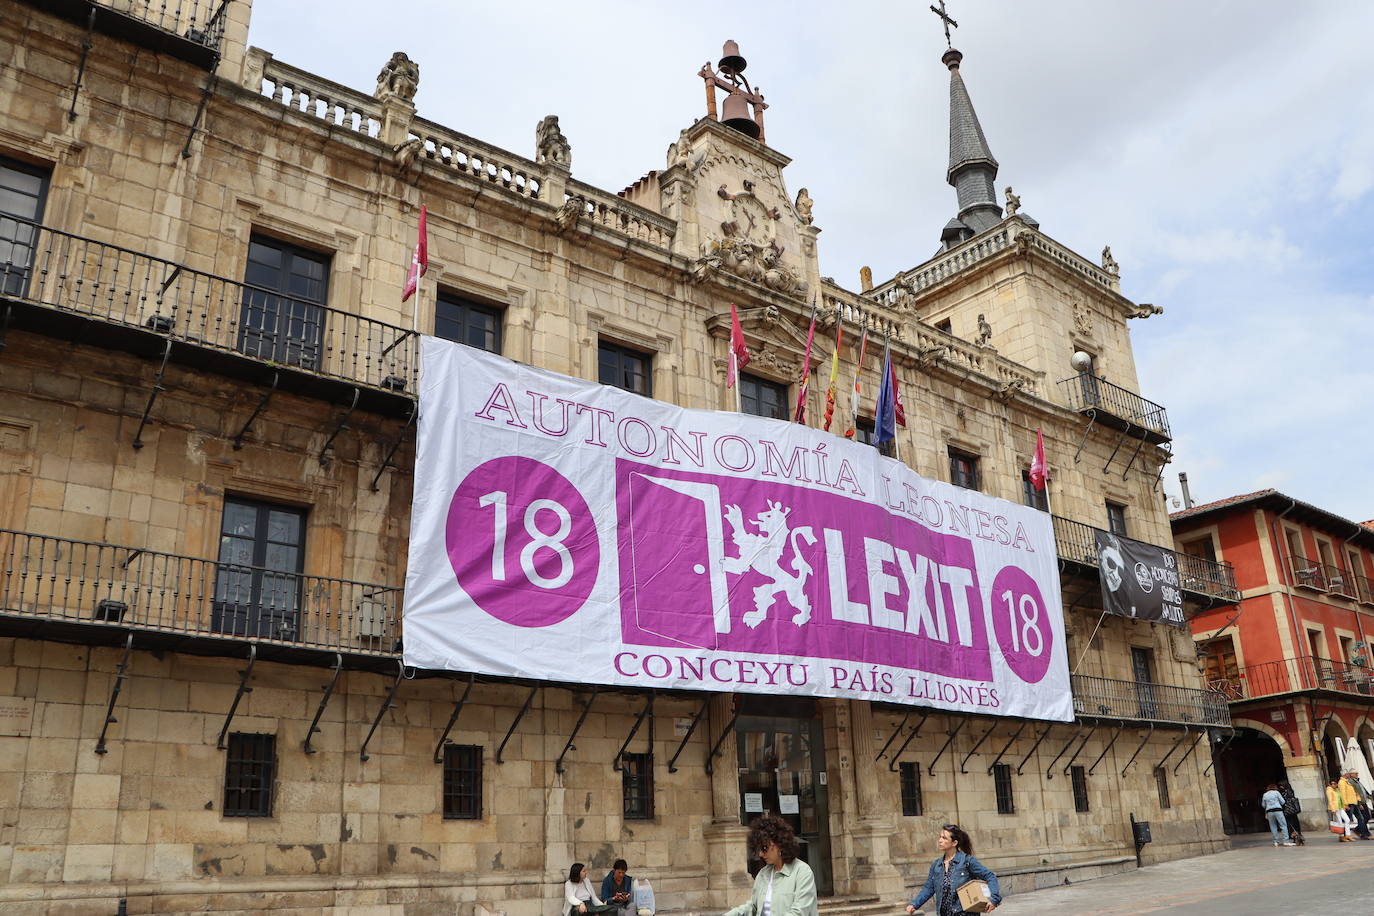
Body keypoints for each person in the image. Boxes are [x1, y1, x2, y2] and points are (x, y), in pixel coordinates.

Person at [723, 815, 818, 916]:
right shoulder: (764, 874)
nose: (760, 854)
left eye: (764, 848)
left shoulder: (802, 872)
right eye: (758, 849)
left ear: (780, 844)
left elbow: (800, 911)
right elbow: (753, 907)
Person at [905, 824, 1001, 915]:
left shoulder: (966, 861)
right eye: (940, 837)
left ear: (954, 843)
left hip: (964, 913)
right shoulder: (936, 865)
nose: (940, 840)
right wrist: (914, 904)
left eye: (944, 838)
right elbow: (928, 888)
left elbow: (990, 876)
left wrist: (994, 899)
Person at [1338, 769, 1371, 839]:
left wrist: (1358, 801)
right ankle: (1344, 835)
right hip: (1349, 803)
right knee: (1347, 819)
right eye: (1348, 774)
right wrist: (1345, 804)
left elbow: (1355, 792)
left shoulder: (1348, 782)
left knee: (1361, 818)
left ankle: (1363, 834)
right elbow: (1342, 794)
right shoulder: (1342, 782)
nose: (1349, 775)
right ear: (1345, 775)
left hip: (1354, 802)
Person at [1278, 781, 1304, 845]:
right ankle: (1298, 837)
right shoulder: (1291, 791)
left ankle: (1295, 837)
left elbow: (1283, 801)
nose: (1280, 787)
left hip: (1288, 811)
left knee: (1291, 824)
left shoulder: (1285, 792)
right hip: (1293, 810)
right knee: (1295, 824)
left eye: (1281, 786)